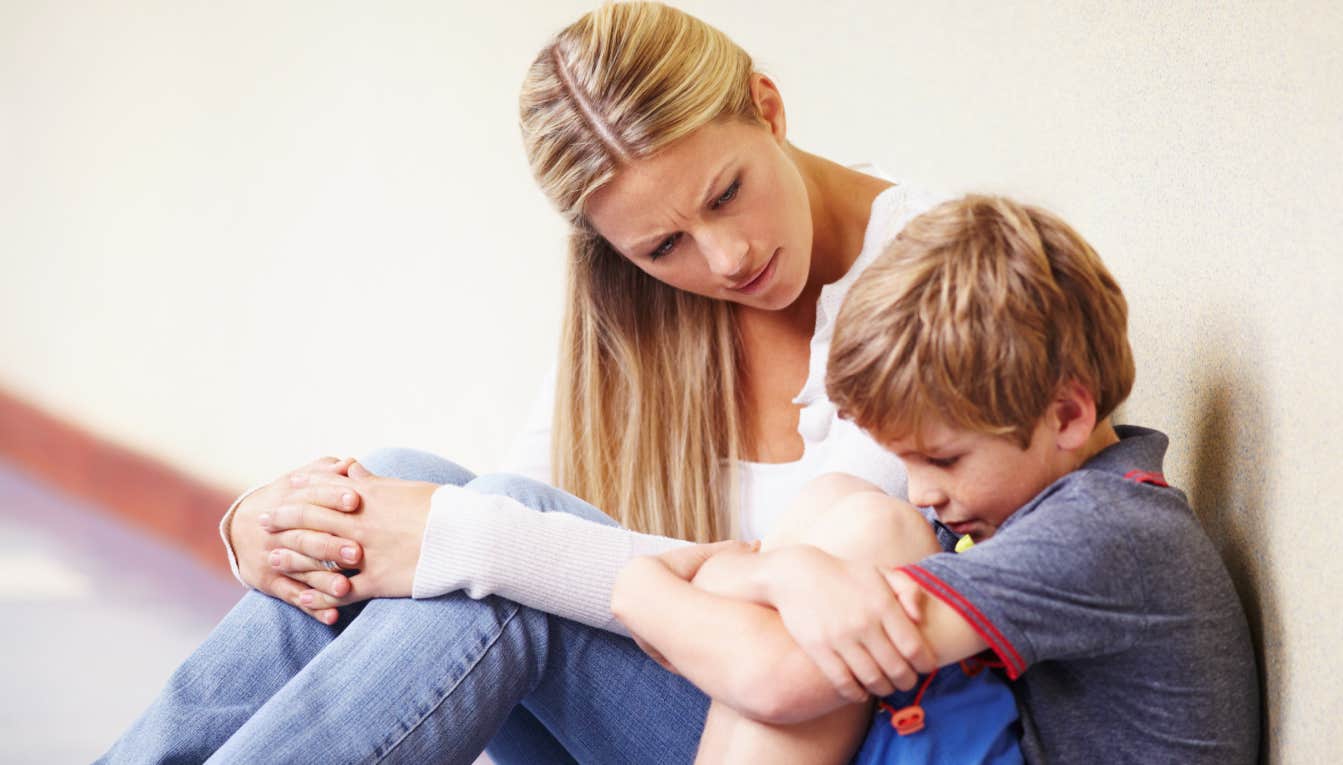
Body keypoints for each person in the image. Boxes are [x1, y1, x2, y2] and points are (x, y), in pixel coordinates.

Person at [99, 3, 946, 762]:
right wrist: (268, 527)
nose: (726, 258)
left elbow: (806, 628)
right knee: (415, 484)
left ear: (767, 107)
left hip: (805, 734)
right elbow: (517, 514)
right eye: (661, 247)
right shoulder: (649, 312)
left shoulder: (937, 281)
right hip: (679, 700)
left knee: (501, 559)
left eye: (727, 193)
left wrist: (488, 542)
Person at [617, 195, 1260, 763]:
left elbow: (777, 682)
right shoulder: (1040, 507)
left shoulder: (1106, 532)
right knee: (839, 501)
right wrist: (780, 574)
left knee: (876, 530)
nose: (922, 491)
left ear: (1067, 413)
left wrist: (640, 588)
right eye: (907, 462)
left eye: (944, 460)